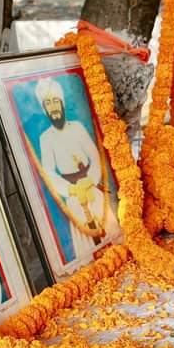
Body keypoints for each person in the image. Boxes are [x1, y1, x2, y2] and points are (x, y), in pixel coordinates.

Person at [35, 77, 108, 254]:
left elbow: (94, 155)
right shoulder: (46, 138)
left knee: (107, 230)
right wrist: (71, 189)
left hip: (92, 188)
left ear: (62, 104)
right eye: (48, 104)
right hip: (74, 195)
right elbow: (50, 173)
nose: (53, 107)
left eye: (55, 102)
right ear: (45, 110)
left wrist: (90, 180)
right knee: (87, 243)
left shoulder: (77, 127)